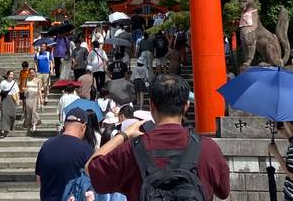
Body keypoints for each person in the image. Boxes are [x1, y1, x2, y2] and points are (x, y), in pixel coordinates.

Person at [87, 74, 230, 201]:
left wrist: (124, 134)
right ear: (186, 106)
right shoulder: (208, 148)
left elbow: (90, 169)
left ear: (151, 105)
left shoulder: (131, 149)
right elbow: (223, 191)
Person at [36, 107, 94, 201]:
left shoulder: (46, 145)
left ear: (65, 125)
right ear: (84, 127)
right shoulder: (86, 150)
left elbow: (39, 178)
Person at [0, 70, 20, 138]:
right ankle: (3, 130)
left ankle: (11, 126)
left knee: (13, 114)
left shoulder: (14, 83)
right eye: (10, 75)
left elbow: (17, 92)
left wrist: (18, 100)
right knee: (4, 114)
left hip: (12, 99)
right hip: (5, 99)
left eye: (12, 75)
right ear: (7, 75)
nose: (12, 76)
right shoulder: (3, 82)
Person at [24, 67, 42, 133]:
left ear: (35, 73)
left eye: (32, 72)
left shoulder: (38, 80)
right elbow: (25, 87)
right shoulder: (27, 79)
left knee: (34, 111)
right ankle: (29, 124)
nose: (31, 74)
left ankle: (34, 124)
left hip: (35, 96)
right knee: (29, 112)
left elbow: (39, 90)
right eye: (30, 73)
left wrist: (41, 99)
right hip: (28, 96)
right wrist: (24, 90)